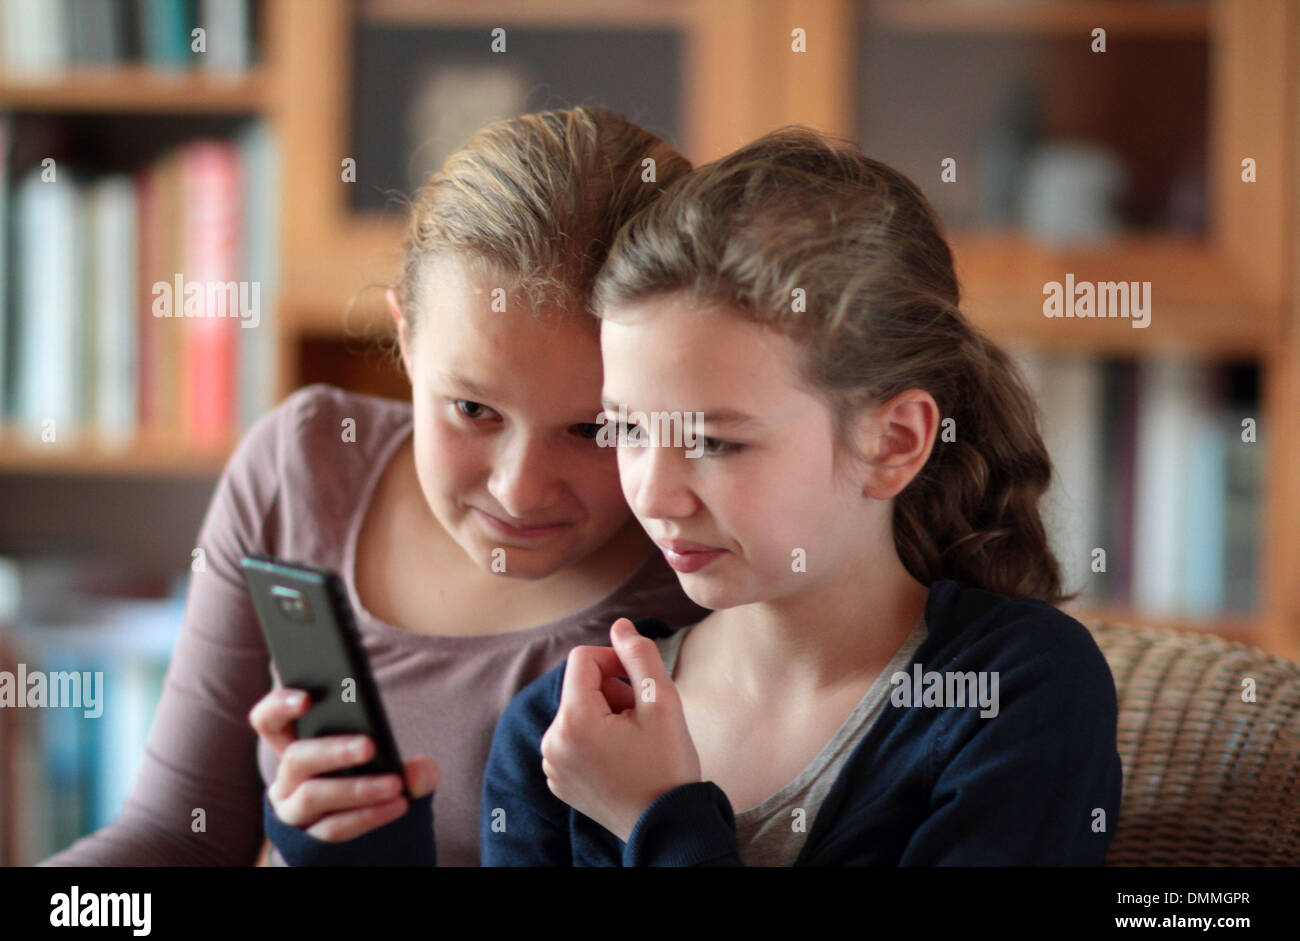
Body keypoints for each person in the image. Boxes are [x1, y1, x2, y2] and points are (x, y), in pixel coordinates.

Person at [267, 126, 1123, 867]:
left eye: (715, 441)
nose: (655, 494)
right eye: (625, 430)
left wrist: (656, 824)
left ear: (893, 441)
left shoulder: (1013, 693)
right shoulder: (565, 728)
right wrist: (356, 852)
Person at [38, 107, 705, 867]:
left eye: (593, 430)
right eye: (473, 409)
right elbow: (167, 838)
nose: (519, 492)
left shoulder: (708, 571)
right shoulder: (304, 469)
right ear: (405, 338)